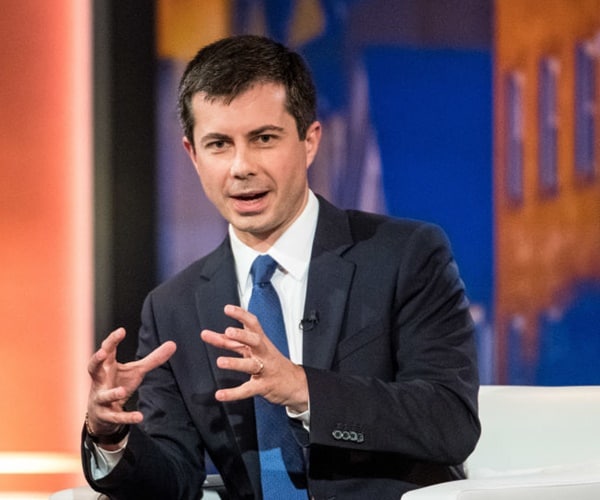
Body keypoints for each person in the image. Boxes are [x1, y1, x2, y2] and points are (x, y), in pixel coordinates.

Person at [82, 34, 480, 500]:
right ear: (192, 155)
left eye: (263, 139)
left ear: (309, 141)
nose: (241, 167)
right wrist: (110, 436)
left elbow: (449, 422)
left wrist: (304, 389)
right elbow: (173, 479)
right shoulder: (172, 308)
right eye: (218, 145)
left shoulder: (406, 255)